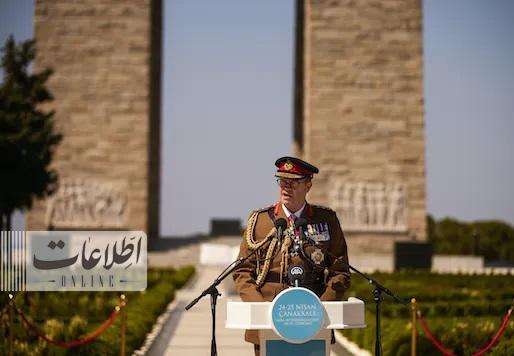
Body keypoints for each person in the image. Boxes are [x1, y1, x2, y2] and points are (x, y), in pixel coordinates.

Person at [232, 156, 351, 355]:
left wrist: (319, 309)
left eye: (293, 183)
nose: (286, 188)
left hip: (313, 322)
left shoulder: (326, 220)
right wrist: (263, 310)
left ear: (308, 185)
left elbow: (341, 272)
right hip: (267, 323)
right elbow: (242, 270)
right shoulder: (260, 221)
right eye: (282, 181)